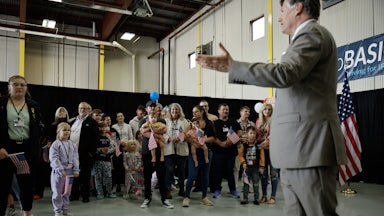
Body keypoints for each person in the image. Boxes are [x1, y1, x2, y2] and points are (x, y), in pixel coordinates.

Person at [196, 0, 347, 215]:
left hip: (310, 149)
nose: (279, 17)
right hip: (297, 151)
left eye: (282, 10)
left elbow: (285, 73)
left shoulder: (312, 34)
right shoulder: (302, 40)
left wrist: (234, 67)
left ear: (299, 7)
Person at [0, 75, 44, 216]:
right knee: (2, 186)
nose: (19, 87)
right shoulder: (2, 103)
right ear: (9, 87)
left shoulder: (33, 105)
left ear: (26, 87)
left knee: (26, 186)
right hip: (6, 151)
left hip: (25, 151)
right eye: (15, 84)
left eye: (22, 85)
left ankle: (27, 213)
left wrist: (35, 149)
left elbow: (37, 128)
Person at [139, 100, 173, 209]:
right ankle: (147, 198)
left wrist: (154, 131)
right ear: (146, 109)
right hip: (146, 152)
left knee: (161, 176)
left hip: (159, 152)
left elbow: (164, 130)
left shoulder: (162, 120)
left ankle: (164, 199)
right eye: (150, 107)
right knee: (147, 176)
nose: (153, 108)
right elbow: (144, 133)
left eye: (154, 107)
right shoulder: (143, 121)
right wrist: (156, 132)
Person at [182, 105, 215, 207]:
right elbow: (184, 135)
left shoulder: (209, 123)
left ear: (202, 112)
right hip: (194, 153)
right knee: (192, 175)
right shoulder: (190, 124)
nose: (194, 114)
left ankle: (204, 197)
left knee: (205, 175)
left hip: (206, 151)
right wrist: (195, 142)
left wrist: (204, 140)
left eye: (196, 112)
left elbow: (213, 137)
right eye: (193, 112)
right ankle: (186, 197)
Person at [69, 102, 99, 203]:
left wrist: (91, 153)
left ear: (89, 110)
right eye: (81, 108)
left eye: (85, 108)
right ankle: (74, 194)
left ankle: (85, 195)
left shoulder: (92, 122)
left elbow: (96, 139)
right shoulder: (72, 121)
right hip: (72, 153)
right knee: (74, 174)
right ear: (78, 109)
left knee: (85, 176)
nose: (82, 110)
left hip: (85, 154)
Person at [211, 103, 241, 199]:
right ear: (219, 111)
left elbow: (240, 132)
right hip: (218, 152)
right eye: (223, 109)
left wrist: (230, 141)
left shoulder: (233, 121)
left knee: (230, 172)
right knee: (217, 172)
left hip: (231, 152)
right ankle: (217, 190)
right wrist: (221, 143)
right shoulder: (214, 123)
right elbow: (212, 136)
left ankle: (233, 190)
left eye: (227, 109)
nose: (225, 111)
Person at [49, 122, 80, 216]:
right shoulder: (55, 144)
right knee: (58, 192)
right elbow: (54, 158)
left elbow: (75, 157)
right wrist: (60, 170)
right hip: (59, 173)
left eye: (68, 130)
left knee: (67, 192)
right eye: (64, 130)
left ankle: (65, 209)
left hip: (70, 172)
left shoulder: (72, 144)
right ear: (59, 131)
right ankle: (58, 211)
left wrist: (76, 169)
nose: (67, 132)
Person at [163, 103, 189, 198]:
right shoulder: (165, 121)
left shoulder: (184, 121)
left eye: (177, 109)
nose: (174, 111)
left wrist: (181, 137)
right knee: (169, 170)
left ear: (180, 111)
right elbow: (162, 134)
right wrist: (169, 139)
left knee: (182, 171)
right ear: (170, 111)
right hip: (169, 149)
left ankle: (182, 189)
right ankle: (168, 189)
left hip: (181, 149)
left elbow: (188, 134)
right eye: (173, 109)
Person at [256, 103, 278, 204]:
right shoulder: (258, 121)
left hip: (273, 150)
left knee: (274, 174)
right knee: (263, 174)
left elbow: (275, 134)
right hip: (262, 151)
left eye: (269, 109)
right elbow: (257, 135)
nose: (267, 111)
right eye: (265, 109)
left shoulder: (274, 120)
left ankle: (273, 196)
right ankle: (264, 196)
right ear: (262, 111)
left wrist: (267, 141)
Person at [238, 126, 264, 205]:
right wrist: (243, 162)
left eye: (254, 133)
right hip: (247, 168)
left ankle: (256, 198)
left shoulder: (258, 145)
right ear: (247, 134)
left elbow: (262, 156)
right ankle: (245, 198)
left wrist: (261, 166)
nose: (252, 135)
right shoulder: (244, 145)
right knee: (246, 183)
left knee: (256, 183)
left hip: (255, 168)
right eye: (250, 133)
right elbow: (240, 155)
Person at [94, 121, 117, 199]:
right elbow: (93, 148)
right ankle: (100, 193)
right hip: (97, 160)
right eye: (101, 127)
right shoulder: (95, 137)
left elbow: (112, 148)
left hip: (107, 160)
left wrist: (107, 152)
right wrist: (101, 150)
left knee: (108, 176)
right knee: (98, 177)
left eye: (104, 127)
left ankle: (109, 193)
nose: (103, 128)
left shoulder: (108, 138)